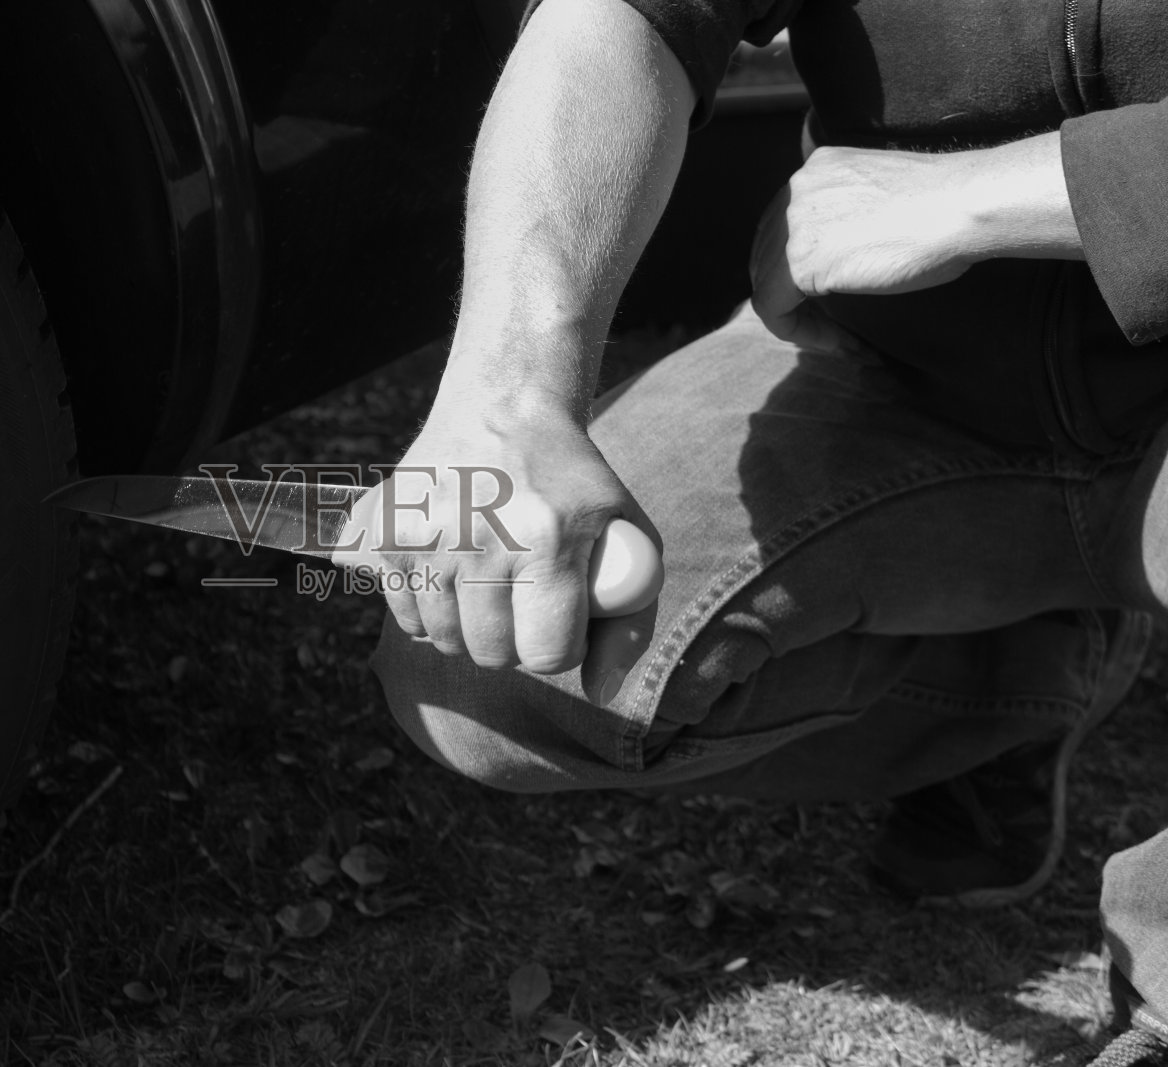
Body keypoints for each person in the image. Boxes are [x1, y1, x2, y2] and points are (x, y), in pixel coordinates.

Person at [335, 0, 1168, 1061]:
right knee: (485, 675)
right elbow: (618, 19)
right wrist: (509, 396)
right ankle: (1017, 676)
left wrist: (985, 199)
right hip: (889, 356)